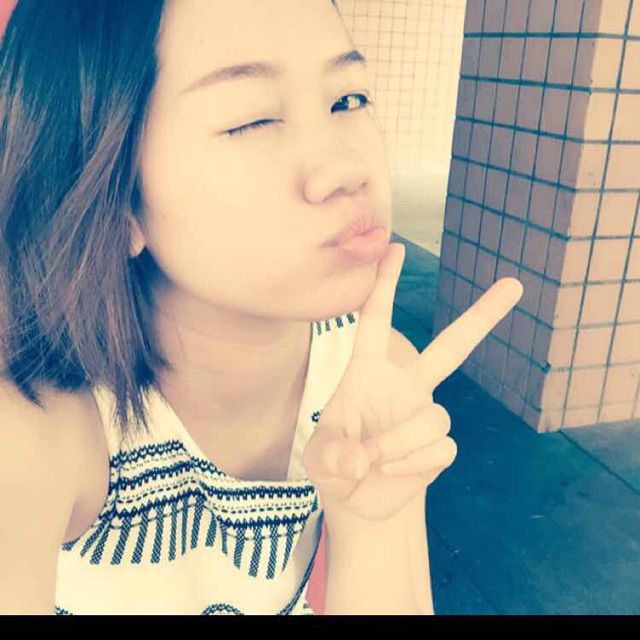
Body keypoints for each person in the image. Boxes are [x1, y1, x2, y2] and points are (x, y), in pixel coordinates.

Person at [0, 0, 413, 615]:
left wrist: (374, 521)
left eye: (347, 99)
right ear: (113, 199)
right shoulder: (33, 431)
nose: (348, 170)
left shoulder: (374, 374)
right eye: (253, 120)